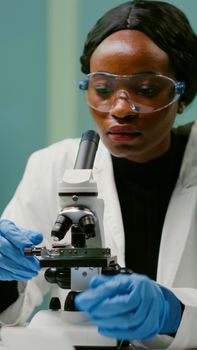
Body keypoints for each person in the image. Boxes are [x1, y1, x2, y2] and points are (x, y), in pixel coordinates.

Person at [1, 0, 197, 348]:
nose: (120, 109)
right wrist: (4, 274)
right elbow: (14, 305)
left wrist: (176, 313)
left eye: (147, 90)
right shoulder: (53, 165)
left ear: (182, 95)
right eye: (103, 90)